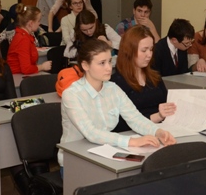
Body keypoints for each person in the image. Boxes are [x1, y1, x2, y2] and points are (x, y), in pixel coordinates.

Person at [59, 39, 176, 167]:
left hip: (106, 153)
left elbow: (135, 118)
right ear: (85, 66)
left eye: (109, 61)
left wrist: (158, 132)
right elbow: (91, 133)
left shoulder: (113, 89)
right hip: (74, 160)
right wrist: (132, 141)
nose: (109, 68)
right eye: (102, 63)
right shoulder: (72, 94)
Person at [112, 26, 176, 132]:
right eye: (144, 50)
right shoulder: (116, 83)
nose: (149, 55)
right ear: (129, 51)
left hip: (161, 129)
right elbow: (116, 124)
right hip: (132, 135)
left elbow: (166, 102)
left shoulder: (154, 77)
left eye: (151, 49)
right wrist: (156, 117)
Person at [7, 5, 53, 75]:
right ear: (31, 23)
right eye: (38, 21)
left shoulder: (24, 36)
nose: (39, 23)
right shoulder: (23, 39)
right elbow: (26, 69)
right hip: (17, 77)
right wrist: (42, 67)